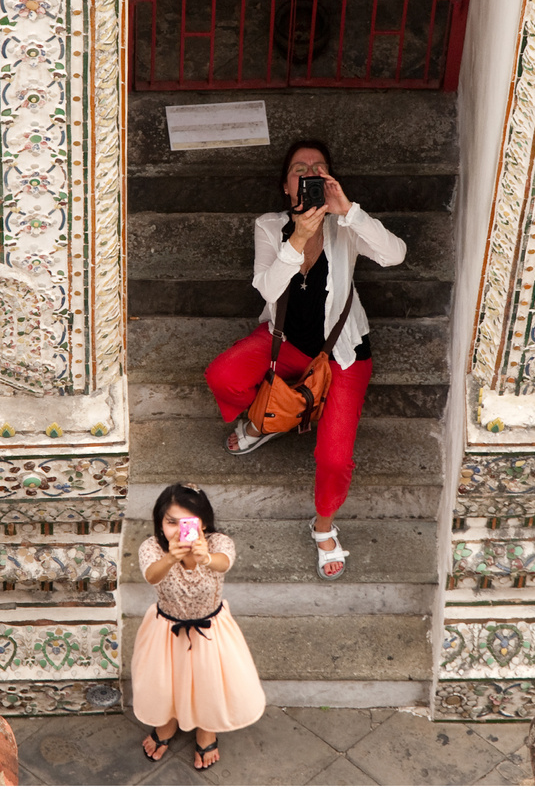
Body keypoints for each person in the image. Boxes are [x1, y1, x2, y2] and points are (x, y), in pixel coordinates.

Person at [204, 139, 406, 579]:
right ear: (286, 184)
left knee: (335, 458)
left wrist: (347, 209)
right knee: (222, 376)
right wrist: (297, 238)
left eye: (319, 167)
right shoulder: (270, 224)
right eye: (300, 168)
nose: (310, 173)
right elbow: (267, 290)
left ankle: (323, 526)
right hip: (286, 343)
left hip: (344, 354)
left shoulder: (347, 224)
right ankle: (266, 420)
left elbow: (395, 255)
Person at [131, 483, 264, 771]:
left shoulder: (218, 543)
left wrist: (206, 558)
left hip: (210, 629)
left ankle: (206, 726)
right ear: (159, 522)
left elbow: (223, 563)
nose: (179, 531)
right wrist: (170, 557)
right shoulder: (152, 547)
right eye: (170, 522)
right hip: (166, 630)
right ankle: (167, 723)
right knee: (166, 682)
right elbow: (152, 576)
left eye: (188, 522)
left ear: (203, 522)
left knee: (209, 682)